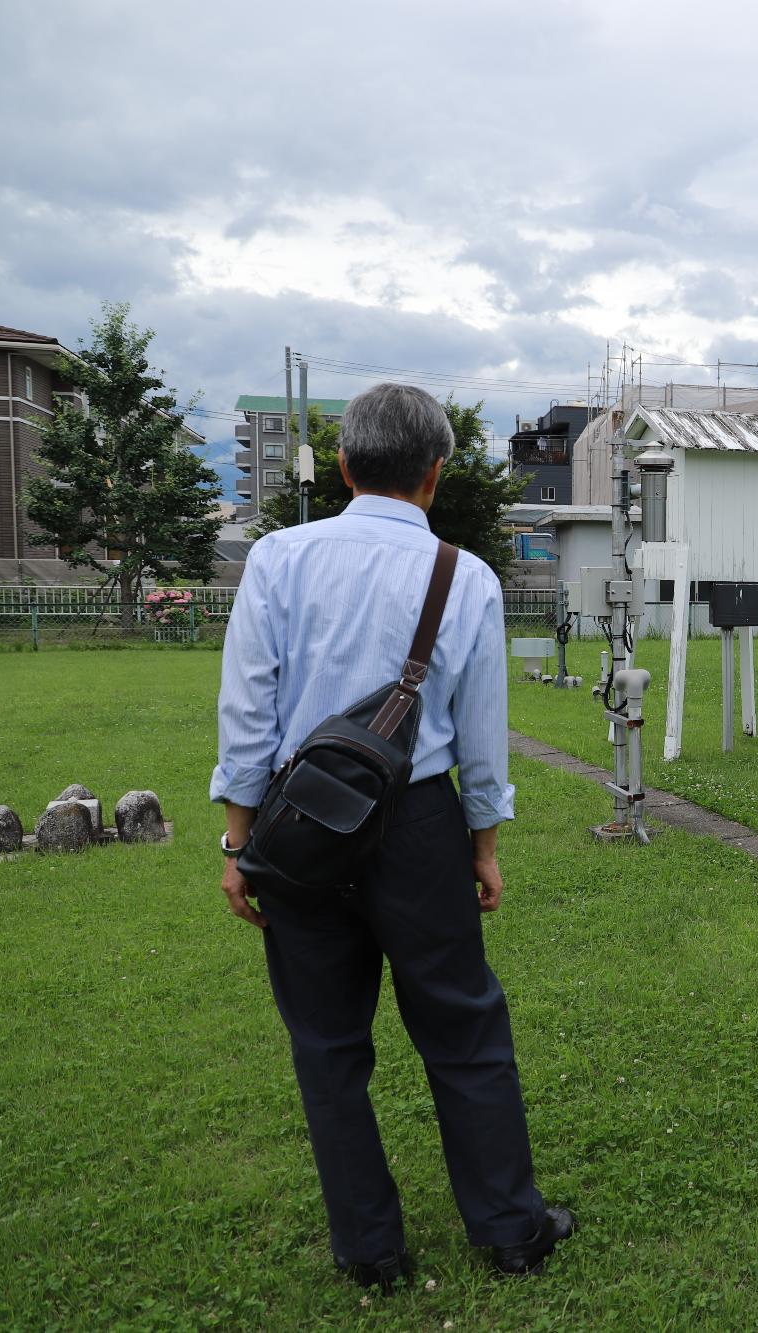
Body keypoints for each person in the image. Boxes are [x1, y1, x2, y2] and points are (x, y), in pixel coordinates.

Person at [211, 383, 572, 1289]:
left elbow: (248, 709)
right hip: (418, 822)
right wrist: (483, 842)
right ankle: (512, 1231)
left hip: (298, 827)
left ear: (342, 465)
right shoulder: (466, 575)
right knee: (462, 1025)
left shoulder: (278, 558)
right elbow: (482, 732)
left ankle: (370, 1254)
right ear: (436, 473)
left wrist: (237, 839)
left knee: (328, 1045)